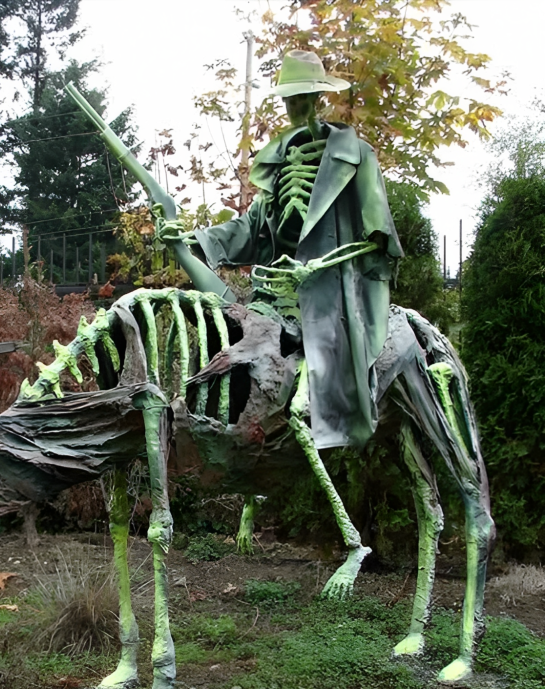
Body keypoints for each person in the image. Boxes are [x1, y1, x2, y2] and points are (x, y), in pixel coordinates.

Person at [162, 50, 403, 450]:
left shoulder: (357, 155)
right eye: (289, 99)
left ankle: (336, 436)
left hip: (330, 294)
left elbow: (378, 241)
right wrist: (193, 238)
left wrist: (321, 266)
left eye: (302, 97)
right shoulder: (277, 163)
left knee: (337, 374)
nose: (295, 107)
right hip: (272, 296)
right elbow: (251, 227)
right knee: (223, 336)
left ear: (318, 98)